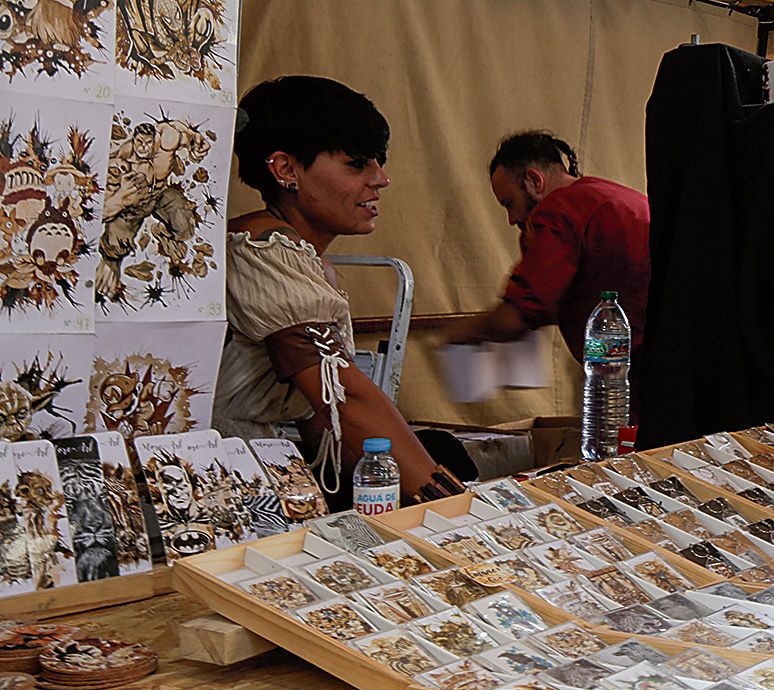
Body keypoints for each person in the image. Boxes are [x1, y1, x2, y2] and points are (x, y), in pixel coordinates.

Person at [218, 76, 461, 509]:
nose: (381, 179)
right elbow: (345, 398)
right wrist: (447, 501)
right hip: (229, 482)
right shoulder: (263, 251)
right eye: (357, 164)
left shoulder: (301, 258)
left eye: (377, 163)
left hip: (269, 474)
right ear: (286, 170)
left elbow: (323, 418)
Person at [441, 131, 651, 359]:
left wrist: (462, 331)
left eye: (509, 204)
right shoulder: (614, 197)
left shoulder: (559, 210)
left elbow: (520, 313)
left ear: (534, 181)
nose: (511, 220)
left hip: (639, 364)